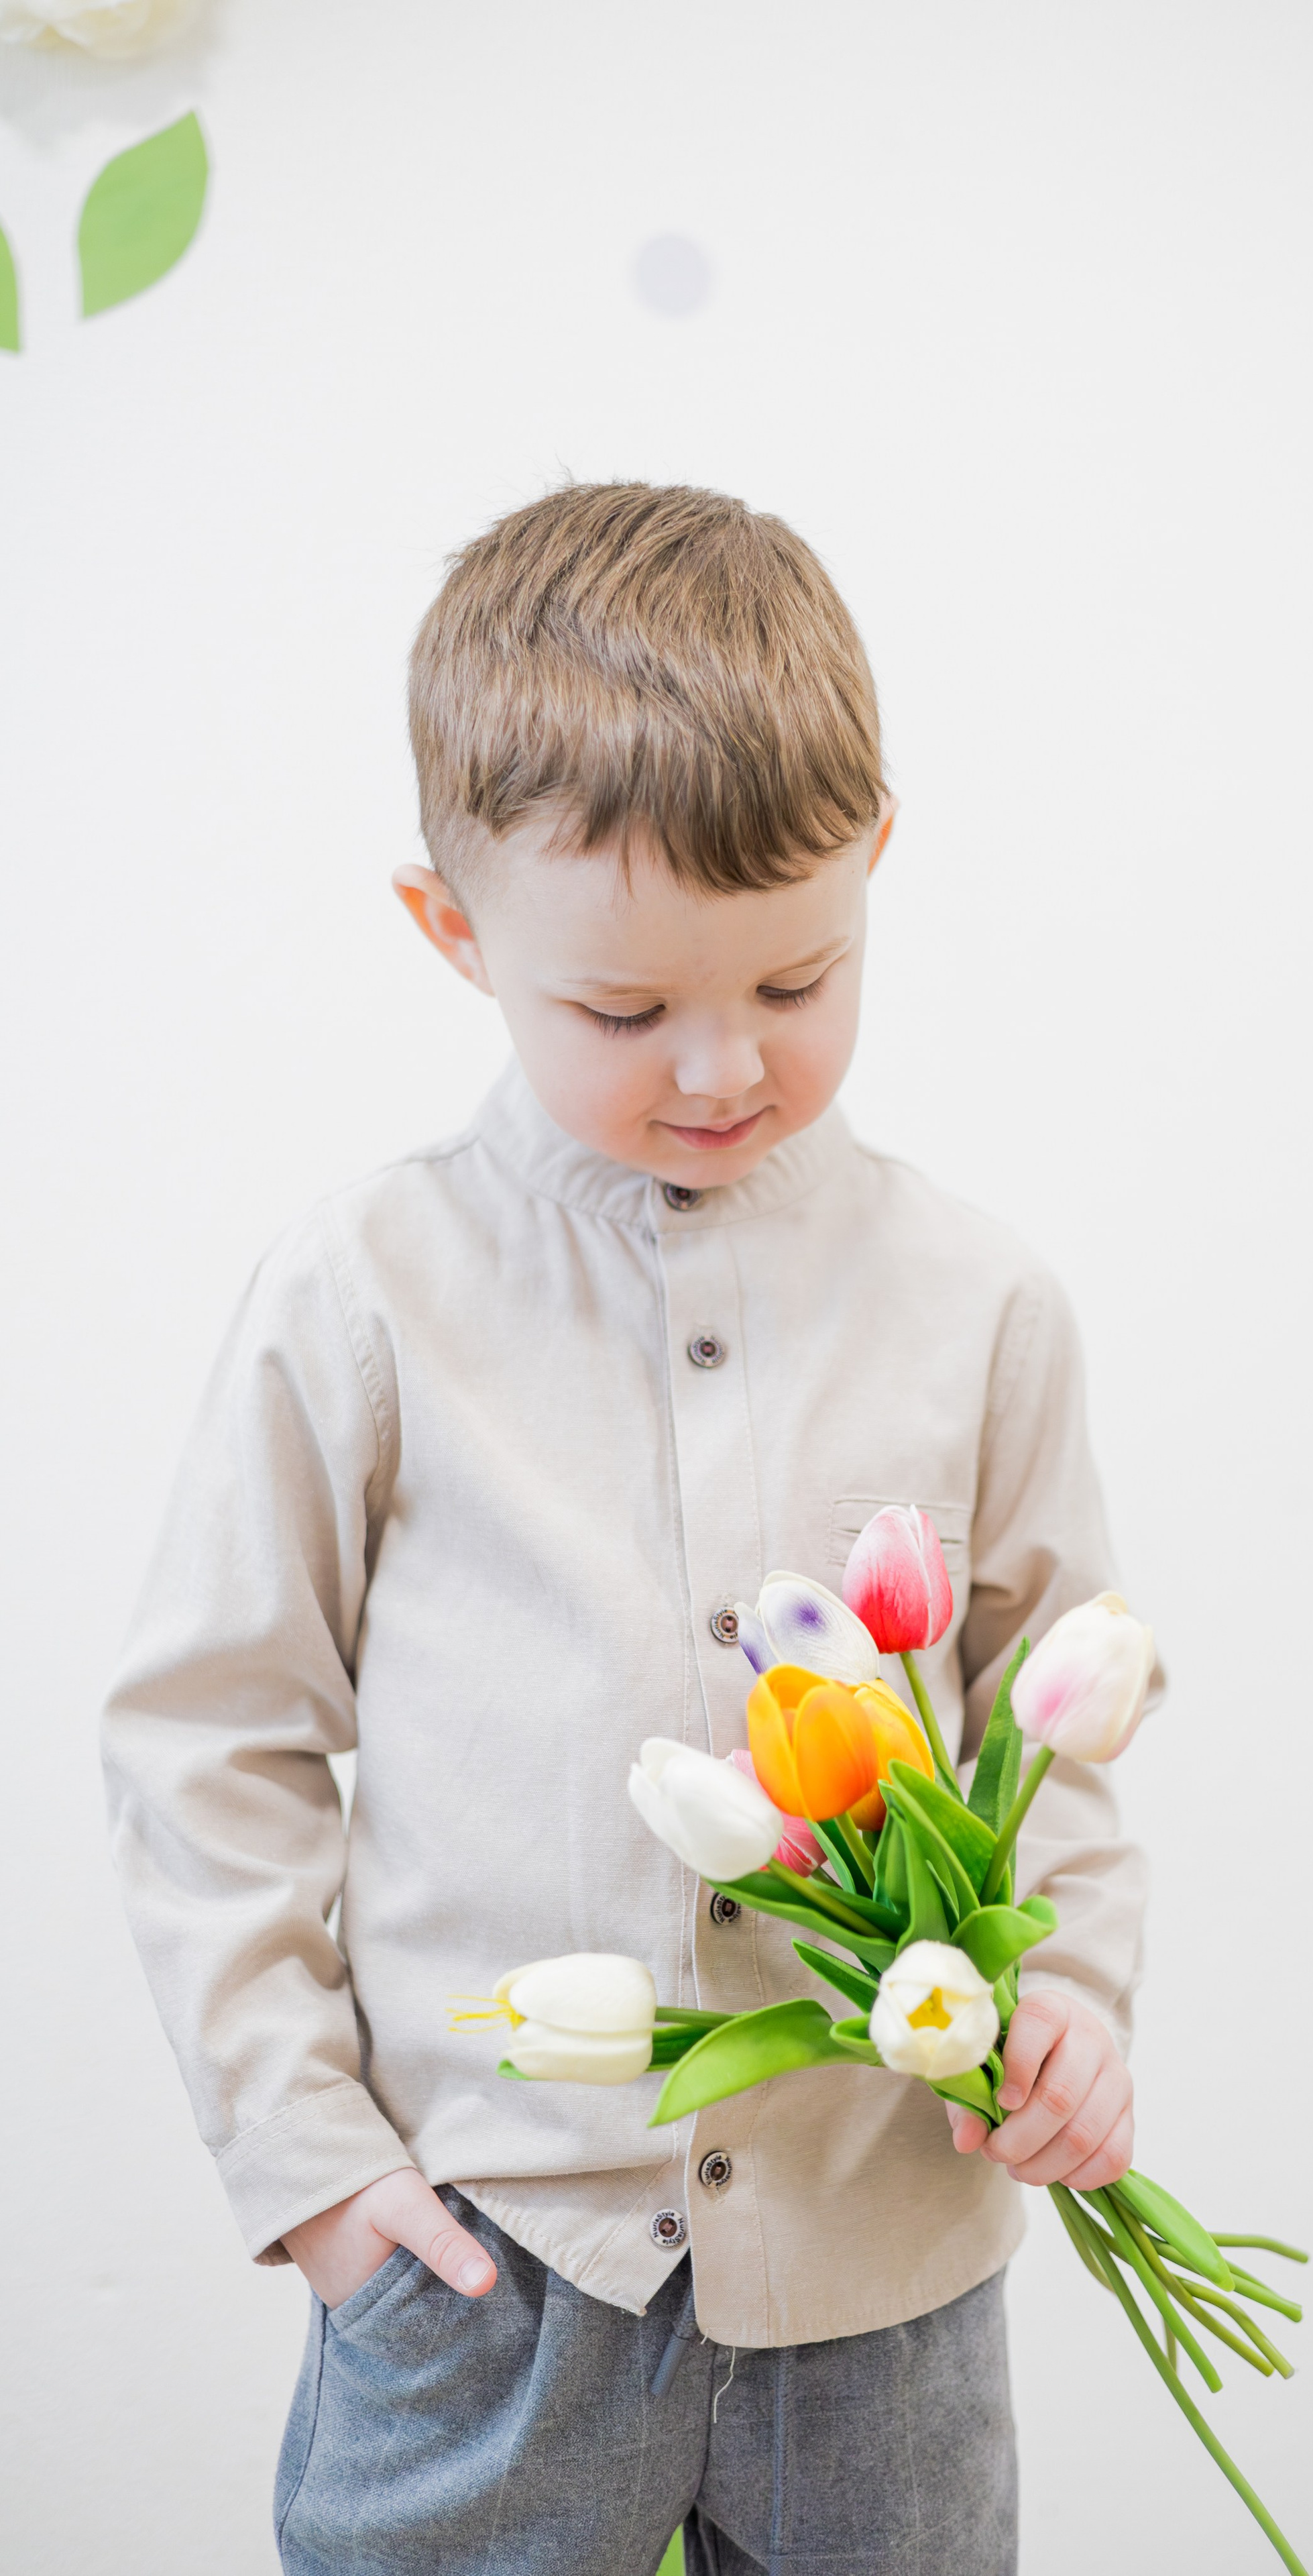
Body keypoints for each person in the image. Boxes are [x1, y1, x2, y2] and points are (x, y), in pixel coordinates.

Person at [103, 481, 1149, 2575]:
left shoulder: (982, 1302)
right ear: (456, 934)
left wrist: (1079, 2002)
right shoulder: (364, 1293)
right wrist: (315, 2172)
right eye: (623, 1011)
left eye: (796, 978)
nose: (722, 1064)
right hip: (497, 2274)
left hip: (883, 2282)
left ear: (877, 864)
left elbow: (1062, 1725)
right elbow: (204, 1741)